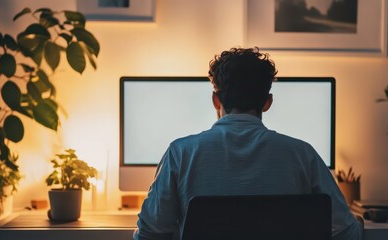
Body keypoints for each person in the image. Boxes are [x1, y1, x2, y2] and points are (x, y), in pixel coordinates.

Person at [134, 47, 363, 240]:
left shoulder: (180, 153)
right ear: (267, 102)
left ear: (216, 100)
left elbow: (149, 234)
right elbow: (346, 232)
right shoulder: (303, 155)